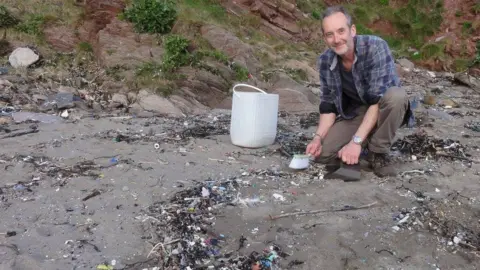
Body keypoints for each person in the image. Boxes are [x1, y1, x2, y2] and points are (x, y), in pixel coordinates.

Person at [305, 5, 413, 177]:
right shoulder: (325, 60)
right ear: (325, 38)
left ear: (352, 30)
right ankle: (364, 149)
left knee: (397, 96)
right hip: (356, 112)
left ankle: (378, 152)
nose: (336, 39)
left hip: (384, 106)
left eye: (341, 31)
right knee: (323, 155)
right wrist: (317, 138)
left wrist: (355, 141)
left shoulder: (375, 47)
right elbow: (328, 106)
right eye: (329, 34)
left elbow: (377, 99)